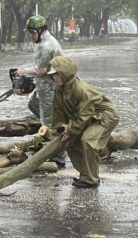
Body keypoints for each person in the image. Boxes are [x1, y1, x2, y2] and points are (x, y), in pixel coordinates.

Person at [47, 56, 120, 188]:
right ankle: (86, 174)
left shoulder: (81, 89)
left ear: (65, 73)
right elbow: (58, 116)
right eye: (52, 75)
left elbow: (85, 114)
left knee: (88, 140)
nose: (54, 78)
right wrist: (57, 134)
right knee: (70, 143)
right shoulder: (59, 91)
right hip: (87, 118)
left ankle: (91, 179)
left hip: (104, 116)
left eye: (57, 74)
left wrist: (72, 129)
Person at [14, 15, 65, 166]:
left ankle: (57, 156)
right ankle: (45, 134)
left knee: (50, 123)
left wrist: (25, 72)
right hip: (42, 86)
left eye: (32, 33)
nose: (30, 36)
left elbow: (42, 70)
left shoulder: (48, 46)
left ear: (40, 31)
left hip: (51, 88)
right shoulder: (41, 43)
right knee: (33, 104)